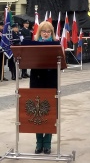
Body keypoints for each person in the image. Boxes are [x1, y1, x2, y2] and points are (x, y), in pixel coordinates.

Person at [30, 21, 58, 155]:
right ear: (39, 32)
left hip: (51, 81)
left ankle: (47, 143)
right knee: (37, 112)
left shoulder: (56, 45)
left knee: (49, 112)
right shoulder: (34, 45)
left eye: (48, 32)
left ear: (52, 33)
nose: (46, 34)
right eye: (43, 31)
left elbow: (61, 62)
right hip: (37, 81)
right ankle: (38, 143)